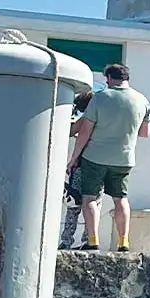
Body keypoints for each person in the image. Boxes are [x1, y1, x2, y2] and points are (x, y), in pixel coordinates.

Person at [67, 63, 150, 252]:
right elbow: (144, 132)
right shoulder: (142, 100)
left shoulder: (101, 98)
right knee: (120, 199)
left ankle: (92, 240)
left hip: (95, 157)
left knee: (89, 198)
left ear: (109, 78)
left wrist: (74, 158)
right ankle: (123, 242)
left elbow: (85, 132)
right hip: (124, 159)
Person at [58, 90, 94, 251]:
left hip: (81, 164)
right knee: (93, 204)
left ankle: (66, 241)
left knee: (74, 204)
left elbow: (71, 131)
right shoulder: (104, 119)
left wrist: (68, 114)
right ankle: (89, 239)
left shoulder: (86, 119)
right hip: (98, 166)